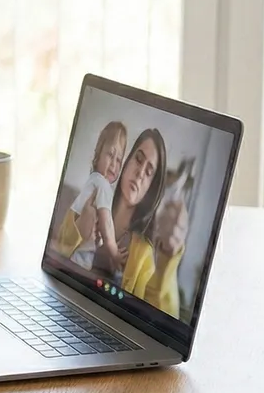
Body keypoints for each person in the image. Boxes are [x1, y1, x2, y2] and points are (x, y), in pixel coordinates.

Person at [59, 128, 189, 318]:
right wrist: (78, 231)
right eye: (138, 158)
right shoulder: (86, 201)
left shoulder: (143, 254)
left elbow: (161, 318)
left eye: (149, 171)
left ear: (150, 188)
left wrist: (169, 255)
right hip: (66, 302)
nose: (139, 173)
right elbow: (55, 262)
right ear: (127, 161)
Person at [55, 119, 126, 271]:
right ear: (98, 154)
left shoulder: (93, 180)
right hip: (78, 256)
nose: (114, 163)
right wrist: (114, 251)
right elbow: (106, 221)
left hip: (71, 245)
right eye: (110, 154)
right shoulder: (102, 184)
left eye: (119, 159)